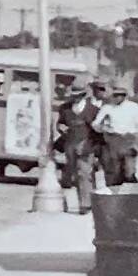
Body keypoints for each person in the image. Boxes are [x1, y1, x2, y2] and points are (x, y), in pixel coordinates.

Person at [54, 84, 103, 212]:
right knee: (75, 175)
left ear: (83, 96)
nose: (74, 99)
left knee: (84, 173)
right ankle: (87, 200)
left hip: (87, 145)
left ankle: (85, 204)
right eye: (73, 96)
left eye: (77, 96)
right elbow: (60, 123)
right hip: (70, 144)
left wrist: (96, 149)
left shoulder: (93, 110)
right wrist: (61, 128)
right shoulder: (64, 109)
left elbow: (98, 132)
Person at [96, 81, 138, 186]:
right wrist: (105, 128)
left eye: (120, 95)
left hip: (129, 140)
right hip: (113, 141)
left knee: (129, 171)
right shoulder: (107, 108)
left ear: (125, 96)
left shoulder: (133, 107)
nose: (117, 98)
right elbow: (96, 124)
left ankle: (130, 193)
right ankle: (116, 194)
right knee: (115, 172)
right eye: (115, 95)